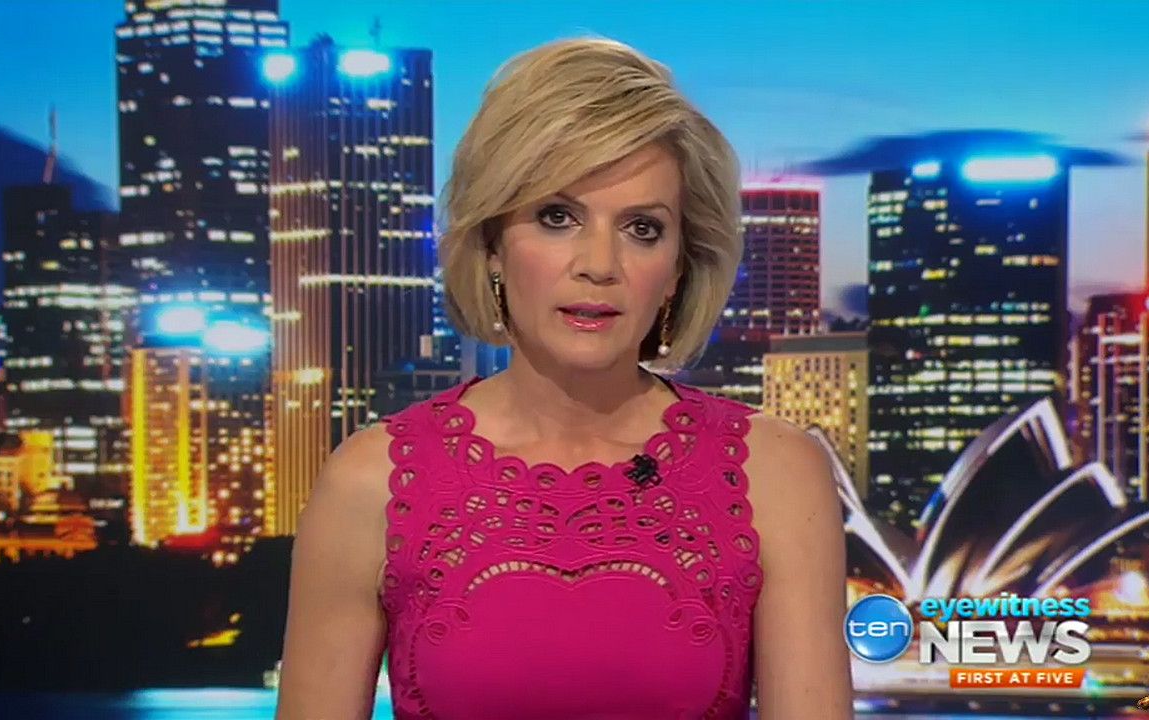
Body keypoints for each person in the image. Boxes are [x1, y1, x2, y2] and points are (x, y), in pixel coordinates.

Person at [275, 37, 851, 720]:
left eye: (642, 228)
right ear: (491, 244)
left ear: (677, 268)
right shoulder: (371, 480)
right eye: (557, 217)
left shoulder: (774, 471)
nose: (599, 264)